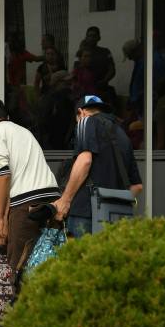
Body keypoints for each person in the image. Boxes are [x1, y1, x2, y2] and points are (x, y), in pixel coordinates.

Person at [0, 98, 61, 271]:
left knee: (19, 268)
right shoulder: (24, 132)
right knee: (52, 265)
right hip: (53, 200)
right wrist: (6, 218)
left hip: (27, 204)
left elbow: (4, 175)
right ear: (7, 117)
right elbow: (13, 181)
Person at [52, 95, 143, 237]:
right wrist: (115, 199)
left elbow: (85, 161)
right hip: (117, 216)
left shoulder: (85, 121)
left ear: (81, 112)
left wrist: (65, 200)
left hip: (85, 213)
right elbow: (137, 186)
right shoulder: (123, 135)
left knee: (81, 252)